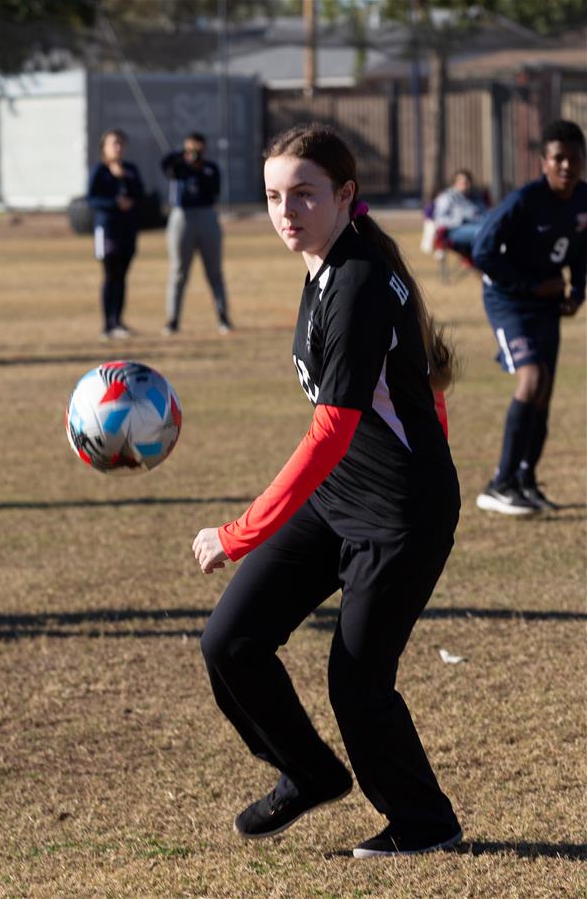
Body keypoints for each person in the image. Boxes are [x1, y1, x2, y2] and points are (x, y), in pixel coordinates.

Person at [192, 123, 463, 858]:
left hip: (400, 515)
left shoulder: (359, 281)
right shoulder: (328, 263)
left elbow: (332, 429)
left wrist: (238, 532)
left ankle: (425, 823)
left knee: (357, 683)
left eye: (305, 194)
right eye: (276, 195)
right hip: (342, 498)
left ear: (346, 195)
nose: (288, 210)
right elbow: (412, 386)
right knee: (231, 642)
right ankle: (308, 773)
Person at [472, 119, 586, 515]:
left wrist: (578, 292)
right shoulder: (524, 200)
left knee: (545, 390)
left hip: (547, 303)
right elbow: (483, 252)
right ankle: (497, 484)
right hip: (509, 300)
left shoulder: (583, 200)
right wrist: (529, 286)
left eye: (574, 159)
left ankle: (525, 480)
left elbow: (582, 250)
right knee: (532, 377)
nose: (567, 167)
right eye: (559, 159)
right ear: (544, 162)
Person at [161, 132, 232, 335]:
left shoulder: (210, 168)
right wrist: (182, 153)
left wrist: (199, 168)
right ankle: (172, 320)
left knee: (214, 272)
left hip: (206, 215)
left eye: (198, 147)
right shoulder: (178, 166)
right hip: (182, 216)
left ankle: (223, 317)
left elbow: (215, 190)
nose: (195, 151)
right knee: (178, 271)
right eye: (191, 147)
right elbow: (165, 165)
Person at [87, 129, 143, 340]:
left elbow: (140, 194)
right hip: (107, 229)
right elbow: (91, 199)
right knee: (110, 274)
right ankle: (107, 324)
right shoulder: (99, 171)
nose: (118, 147)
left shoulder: (130, 170)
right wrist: (114, 204)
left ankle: (118, 321)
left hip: (127, 230)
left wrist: (125, 181)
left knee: (122, 276)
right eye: (113, 143)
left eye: (120, 143)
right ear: (104, 147)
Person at [433, 169, 488, 257]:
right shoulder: (447, 197)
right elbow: (438, 219)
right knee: (483, 232)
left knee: (493, 229)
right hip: (455, 231)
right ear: (455, 183)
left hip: (478, 225)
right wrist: (459, 219)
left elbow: (484, 214)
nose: (465, 185)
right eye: (462, 182)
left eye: (467, 182)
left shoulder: (477, 196)